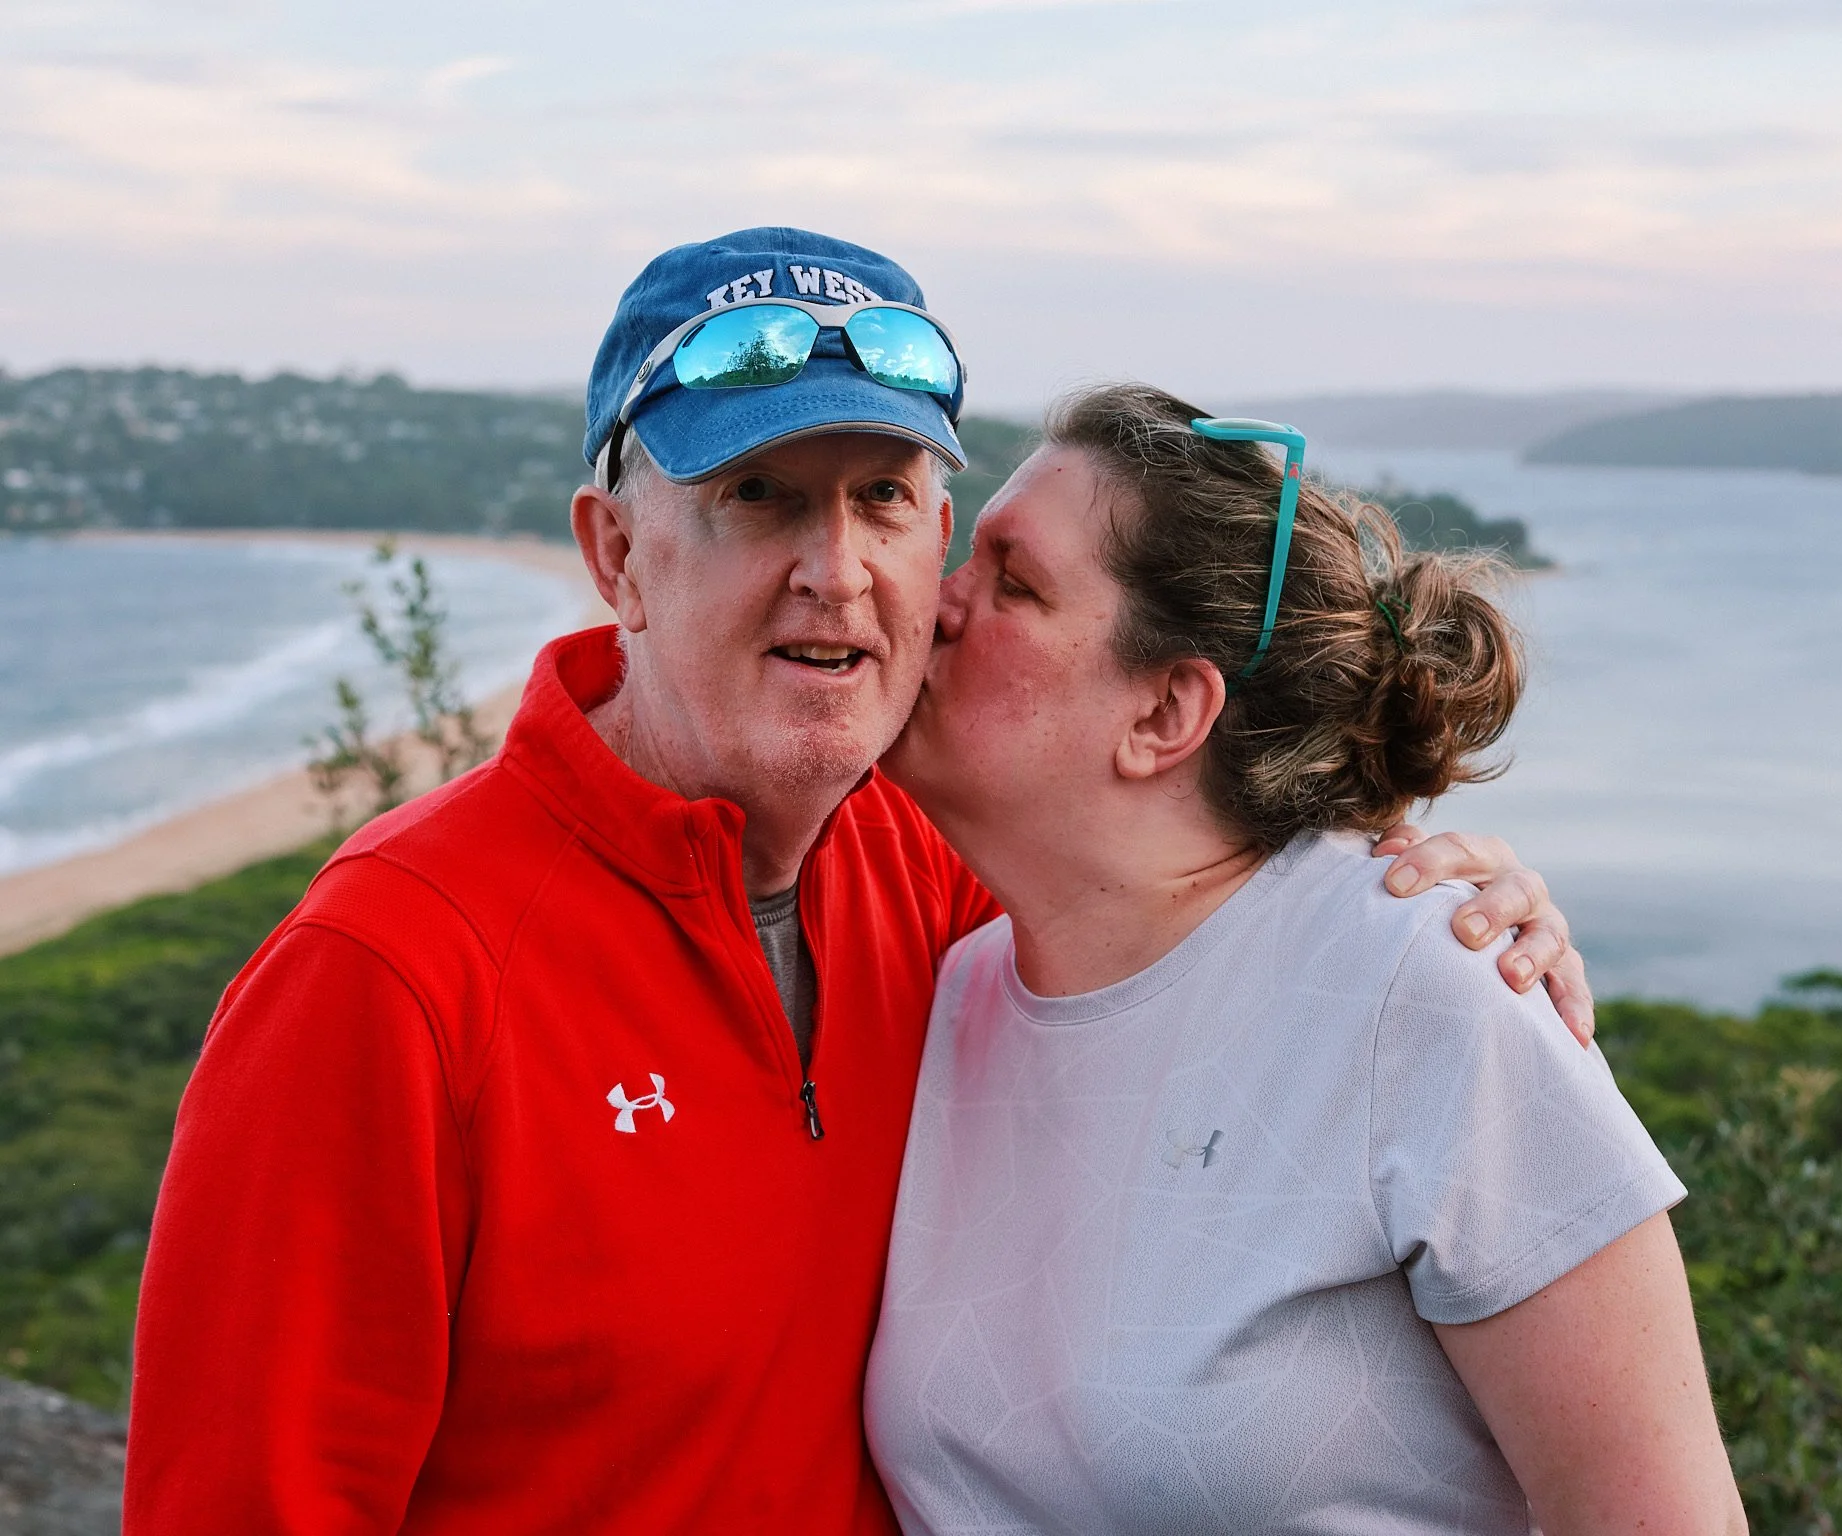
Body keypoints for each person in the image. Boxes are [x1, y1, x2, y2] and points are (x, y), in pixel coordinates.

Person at [126, 232, 1589, 1532]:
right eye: (760, 498)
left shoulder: (955, 884)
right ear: (617, 554)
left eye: (882, 496)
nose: (836, 568)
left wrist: (1415, 879)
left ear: (938, 549)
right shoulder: (391, 973)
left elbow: (1189, 898)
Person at [866, 385, 1746, 1535]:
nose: (934, 605)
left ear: (1164, 711)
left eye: (1011, 585)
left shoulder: (1420, 993)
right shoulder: (948, 997)